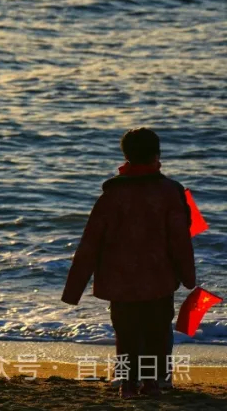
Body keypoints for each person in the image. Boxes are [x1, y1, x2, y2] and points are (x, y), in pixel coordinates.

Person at [62, 128, 195, 399]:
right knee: (157, 331)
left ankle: (126, 383)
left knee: (125, 332)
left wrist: (74, 289)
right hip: (159, 277)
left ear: (126, 155)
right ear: (157, 155)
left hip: (119, 279)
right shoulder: (171, 191)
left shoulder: (111, 195)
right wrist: (188, 276)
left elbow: (90, 244)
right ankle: (153, 382)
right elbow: (181, 238)